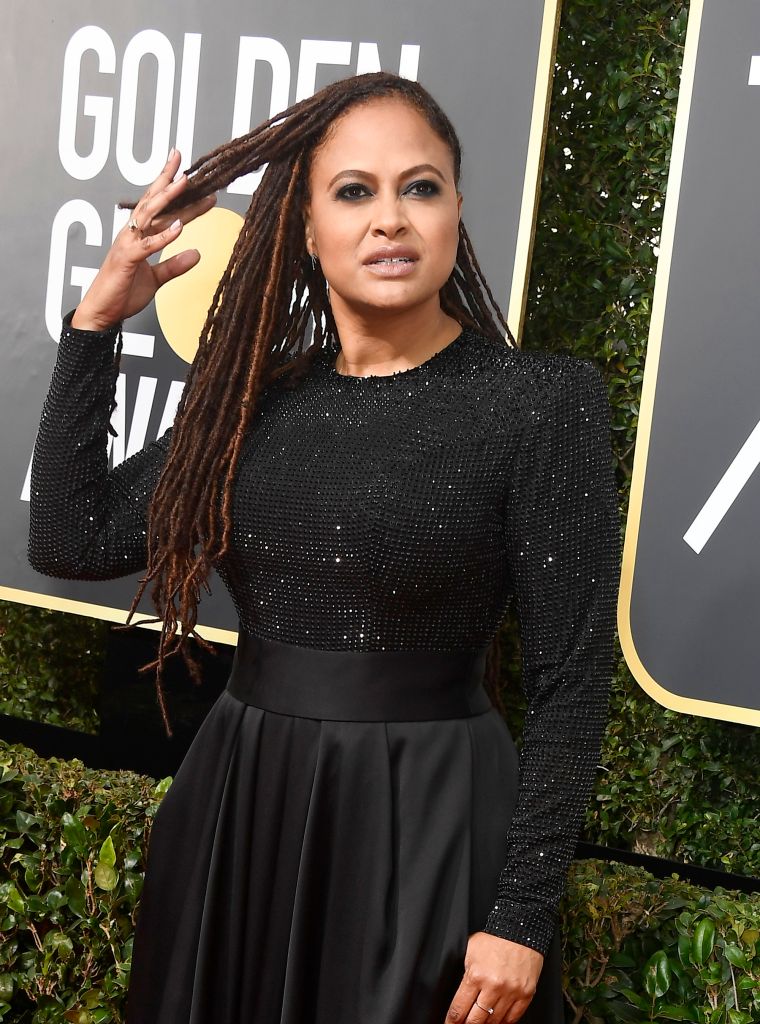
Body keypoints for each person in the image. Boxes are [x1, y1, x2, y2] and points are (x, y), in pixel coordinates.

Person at [28, 71, 621, 1024]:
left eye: (419, 187)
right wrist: (98, 322)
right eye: (355, 192)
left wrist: (521, 919)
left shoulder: (540, 403)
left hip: (433, 822)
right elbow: (68, 536)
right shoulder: (253, 404)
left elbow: (573, 679)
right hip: (243, 811)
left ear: (457, 210)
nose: (390, 218)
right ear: (306, 228)